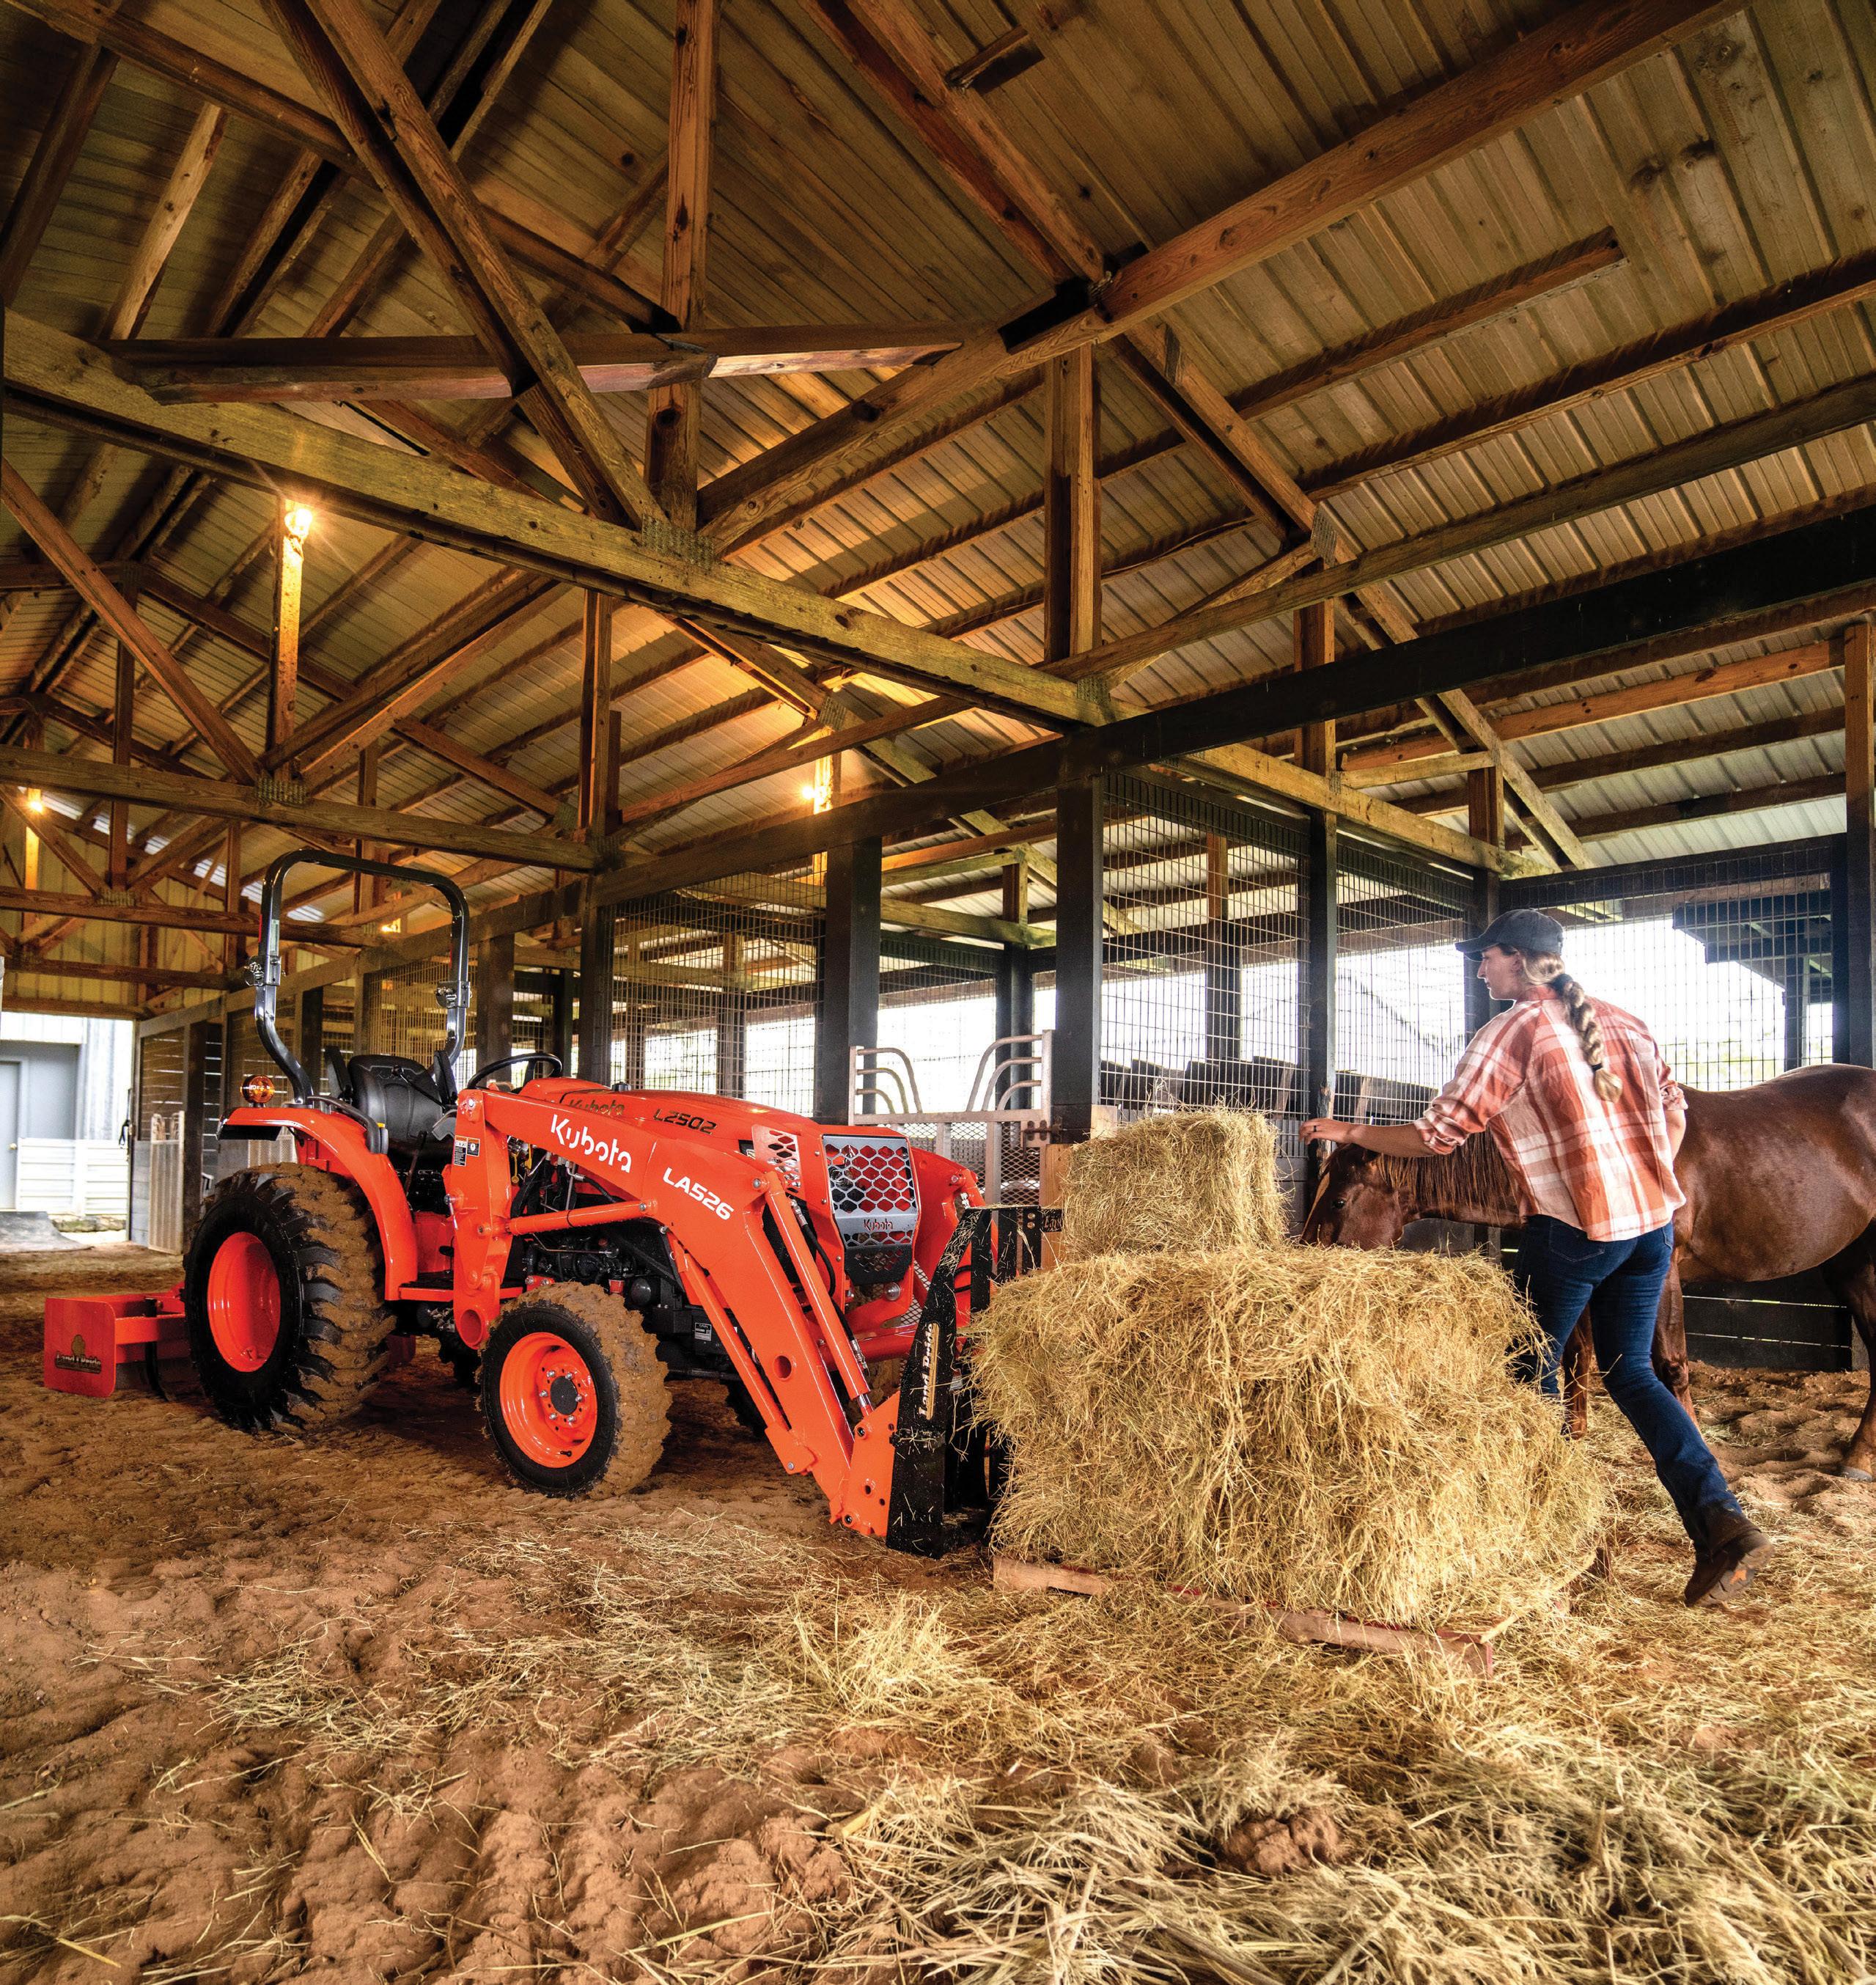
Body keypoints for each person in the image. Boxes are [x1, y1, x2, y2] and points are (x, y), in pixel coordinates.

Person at [1301, 908, 1773, 1608]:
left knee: (1529, 1369)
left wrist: (1348, 1130)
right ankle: (1721, 1523)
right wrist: (1637, 1173)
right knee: (1632, 1373)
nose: (1479, 968)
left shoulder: (1510, 1032)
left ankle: (1552, 1534)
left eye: (1485, 956)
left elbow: (1436, 1136)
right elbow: (1674, 1110)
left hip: (1574, 1231)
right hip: (1648, 1228)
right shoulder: (1623, 1021)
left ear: (1517, 959)